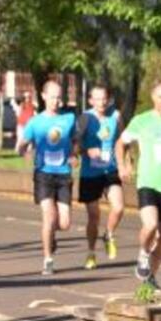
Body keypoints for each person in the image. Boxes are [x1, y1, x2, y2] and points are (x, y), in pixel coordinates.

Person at [115, 82, 161, 289]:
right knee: (151, 225)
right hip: (147, 182)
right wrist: (123, 165)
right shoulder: (141, 121)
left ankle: (151, 278)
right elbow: (121, 143)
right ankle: (143, 253)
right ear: (153, 97)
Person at [17, 80, 77, 276]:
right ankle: (48, 259)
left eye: (59, 97)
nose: (56, 101)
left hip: (64, 174)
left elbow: (75, 141)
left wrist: (75, 154)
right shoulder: (35, 122)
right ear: (43, 97)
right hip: (43, 173)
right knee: (49, 216)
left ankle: (51, 236)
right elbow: (23, 143)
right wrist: (21, 149)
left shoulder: (69, 118)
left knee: (65, 223)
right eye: (52, 97)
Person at [77, 85, 123, 269]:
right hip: (90, 173)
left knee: (118, 207)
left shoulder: (115, 116)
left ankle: (109, 234)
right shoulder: (86, 117)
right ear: (90, 101)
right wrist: (87, 150)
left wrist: (124, 162)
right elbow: (76, 141)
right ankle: (91, 252)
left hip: (110, 170)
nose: (101, 102)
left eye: (104, 98)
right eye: (97, 99)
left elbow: (121, 140)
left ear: (108, 99)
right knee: (94, 216)